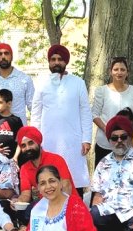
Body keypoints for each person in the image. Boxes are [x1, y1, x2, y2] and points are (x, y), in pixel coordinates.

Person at [30, 44, 92, 193]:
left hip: (73, 141)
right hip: (48, 141)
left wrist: (86, 139)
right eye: (53, 59)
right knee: (50, 180)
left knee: (75, 181)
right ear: (49, 62)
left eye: (60, 59)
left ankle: (76, 214)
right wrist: (35, 141)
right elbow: (36, 114)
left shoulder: (78, 83)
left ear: (66, 62)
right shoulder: (42, 83)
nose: (57, 62)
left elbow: (85, 112)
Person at [91, 56, 133, 165]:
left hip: (127, 142)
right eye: (116, 69)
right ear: (111, 72)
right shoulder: (102, 91)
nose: (119, 72)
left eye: (122, 69)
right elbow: (94, 114)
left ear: (127, 73)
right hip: (105, 142)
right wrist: (107, 130)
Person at [15, 126, 77, 209]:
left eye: (31, 143)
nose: (28, 148)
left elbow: (66, 186)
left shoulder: (56, 159)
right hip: (45, 207)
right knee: (25, 212)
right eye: (23, 145)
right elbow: (26, 194)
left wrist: (60, 210)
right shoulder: (24, 168)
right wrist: (18, 201)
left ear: (38, 142)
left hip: (69, 205)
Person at [0, 43, 34, 127]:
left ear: (11, 56)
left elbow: (33, 108)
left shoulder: (25, 79)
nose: (3, 57)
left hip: (19, 133)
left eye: (6, 53)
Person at [0, 88, 23, 159]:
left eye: (0, 102)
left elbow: (20, 142)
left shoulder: (16, 120)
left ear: (9, 103)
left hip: (11, 160)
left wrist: (15, 157)